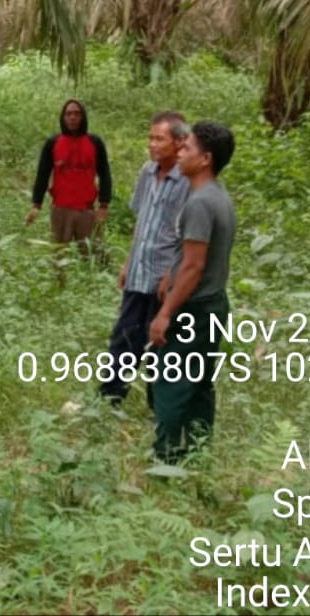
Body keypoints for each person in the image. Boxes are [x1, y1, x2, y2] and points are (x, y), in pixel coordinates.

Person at [148, 120, 237, 463]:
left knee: (170, 383)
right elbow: (193, 257)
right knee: (199, 384)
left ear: (205, 159)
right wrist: (171, 272)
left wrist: (166, 312)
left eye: (187, 149)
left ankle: (166, 457)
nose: (180, 152)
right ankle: (198, 452)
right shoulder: (219, 197)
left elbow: (194, 266)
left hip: (194, 310)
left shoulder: (199, 204)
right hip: (214, 304)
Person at [100, 111, 190, 406]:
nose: (152, 145)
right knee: (124, 336)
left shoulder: (187, 181)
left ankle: (158, 405)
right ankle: (110, 396)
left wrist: (172, 275)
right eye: (150, 138)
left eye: (159, 139)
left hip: (164, 277)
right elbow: (142, 222)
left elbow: (188, 236)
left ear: (179, 142)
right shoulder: (147, 171)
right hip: (139, 270)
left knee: (159, 345)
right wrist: (128, 261)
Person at [26, 99, 113, 248]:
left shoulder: (95, 142)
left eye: (77, 114)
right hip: (60, 210)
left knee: (96, 257)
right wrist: (36, 204)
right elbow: (43, 174)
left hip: (87, 211)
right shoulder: (53, 143)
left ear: (83, 117)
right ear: (63, 117)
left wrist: (104, 205)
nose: (72, 117)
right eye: (68, 114)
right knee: (59, 260)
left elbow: (105, 174)